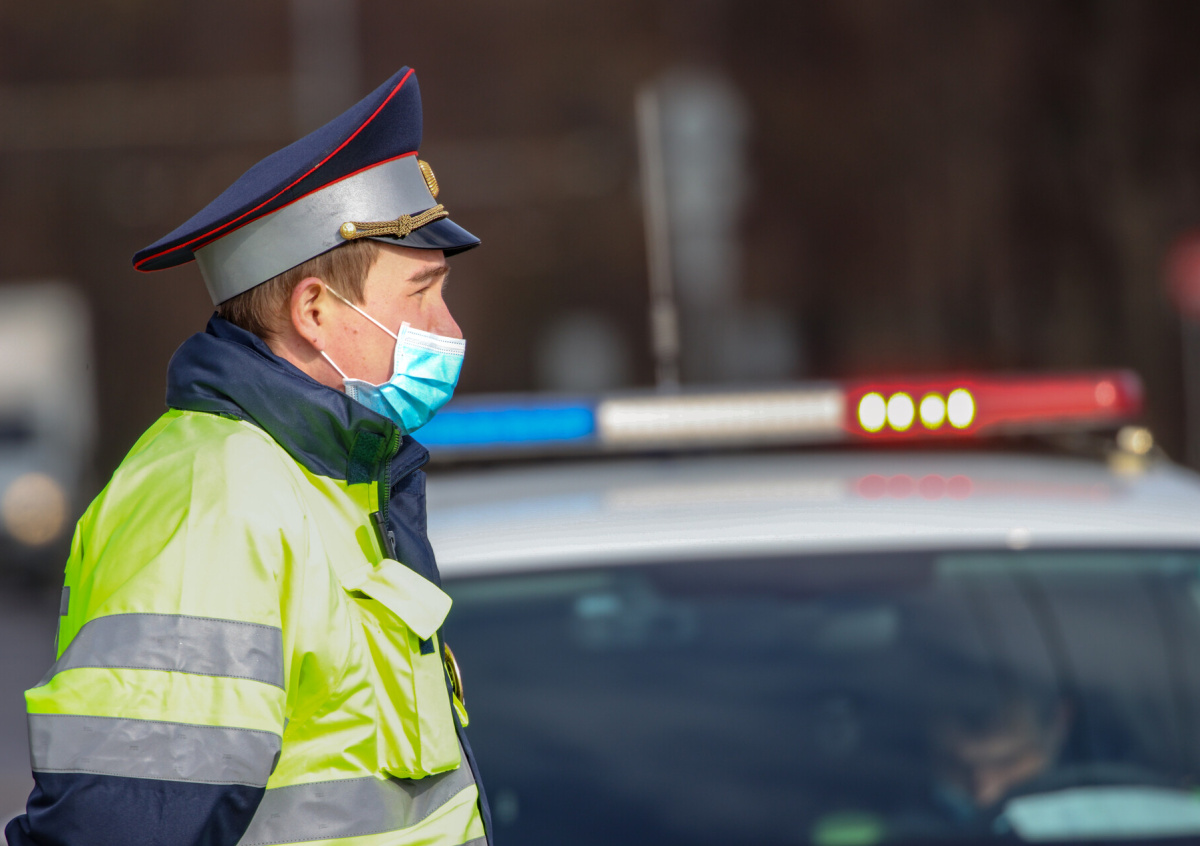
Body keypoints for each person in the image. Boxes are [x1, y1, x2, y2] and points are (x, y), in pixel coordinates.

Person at [6, 67, 491, 846]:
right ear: (314, 310)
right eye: (421, 292)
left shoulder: (323, 480)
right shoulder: (215, 503)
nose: (450, 327)